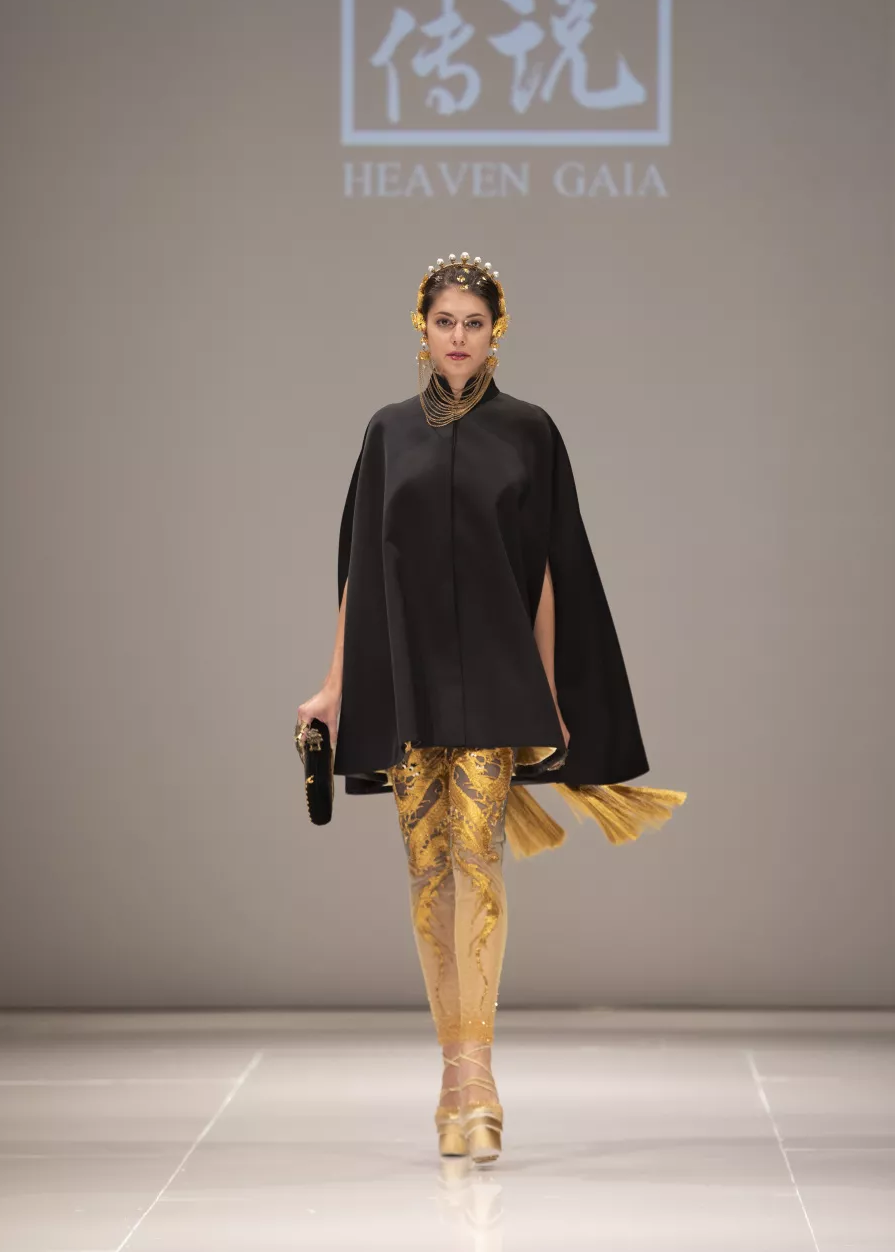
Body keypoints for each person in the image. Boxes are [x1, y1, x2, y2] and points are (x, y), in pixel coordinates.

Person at [296, 252, 685, 1163]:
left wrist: (547, 689)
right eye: (445, 322)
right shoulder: (387, 432)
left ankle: (479, 1078)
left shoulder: (528, 431)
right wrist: (335, 687)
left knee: (479, 860)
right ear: (422, 328)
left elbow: (549, 567)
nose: (459, 337)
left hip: (498, 676)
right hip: (406, 677)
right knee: (429, 870)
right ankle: (451, 1079)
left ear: (496, 330)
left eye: (474, 322)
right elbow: (360, 568)